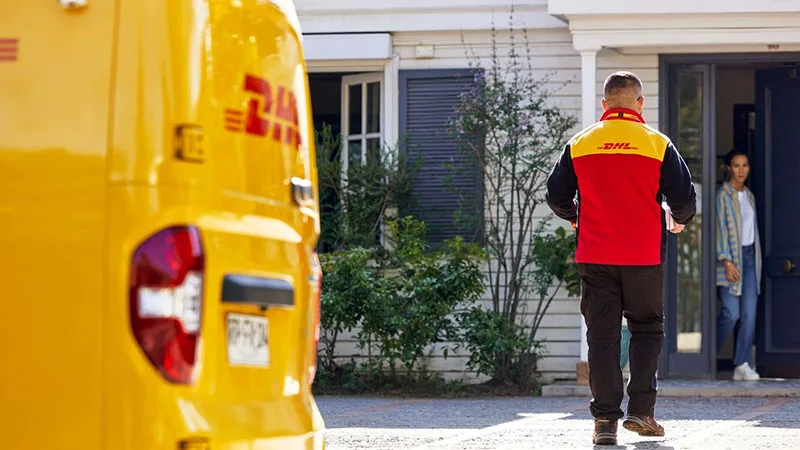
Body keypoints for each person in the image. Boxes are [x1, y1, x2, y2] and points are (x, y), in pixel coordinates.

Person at [546, 71, 697, 445]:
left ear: (605, 104)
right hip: (643, 256)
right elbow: (684, 197)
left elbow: (555, 194)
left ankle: (604, 424)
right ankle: (642, 413)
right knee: (647, 329)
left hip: (595, 256)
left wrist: (575, 214)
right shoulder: (657, 144)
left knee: (602, 337)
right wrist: (678, 220)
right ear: (639, 102)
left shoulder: (580, 143)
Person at [715, 148, 762, 381]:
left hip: (750, 259)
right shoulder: (722, 195)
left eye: (745, 165)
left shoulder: (750, 196)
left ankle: (741, 363)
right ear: (728, 168)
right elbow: (719, 228)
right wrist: (726, 260)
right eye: (736, 165)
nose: (741, 170)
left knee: (749, 314)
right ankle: (708, 357)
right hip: (730, 259)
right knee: (730, 313)